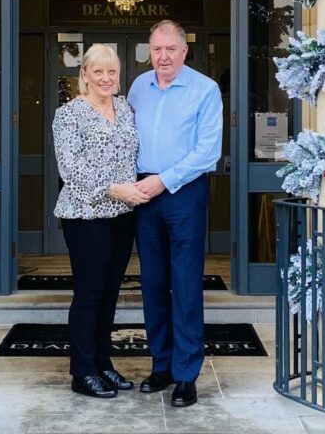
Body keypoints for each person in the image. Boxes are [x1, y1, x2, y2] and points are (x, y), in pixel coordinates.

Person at [127, 20, 223, 408]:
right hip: (142, 194)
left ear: (185, 51)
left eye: (170, 49)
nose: (163, 56)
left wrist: (163, 181)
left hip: (183, 192)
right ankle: (161, 364)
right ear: (148, 52)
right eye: (156, 49)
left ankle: (186, 374)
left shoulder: (205, 89)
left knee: (184, 285)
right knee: (152, 283)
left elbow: (207, 151)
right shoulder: (138, 88)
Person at [52, 43, 150, 399]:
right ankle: (82, 371)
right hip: (85, 215)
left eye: (112, 72)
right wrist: (114, 189)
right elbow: (70, 169)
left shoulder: (124, 108)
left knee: (110, 294)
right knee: (90, 293)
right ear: (85, 76)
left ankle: (103, 363)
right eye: (98, 72)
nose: (106, 78)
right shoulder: (69, 115)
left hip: (122, 216)